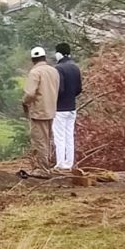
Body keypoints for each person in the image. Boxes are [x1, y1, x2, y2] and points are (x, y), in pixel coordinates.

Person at [22, 46, 60, 172]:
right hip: (51, 109)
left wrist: (24, 102)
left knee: (39, 140)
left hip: (38, 111)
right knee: (47, 139)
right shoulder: (54, 71)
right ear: (44, 57)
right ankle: (46, 165)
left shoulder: (35, 72)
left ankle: (42, 169)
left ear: (33, 60)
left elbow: (30, 94)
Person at [53, 42, 82, 170]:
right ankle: (69, 163)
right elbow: (79, 88)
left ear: (58, 54)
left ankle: (60, 163)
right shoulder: (75, 67)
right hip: (72, 107)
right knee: (69, 136)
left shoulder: (59, 68)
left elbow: (60, 89)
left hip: (60, 108)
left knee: (59, 137)